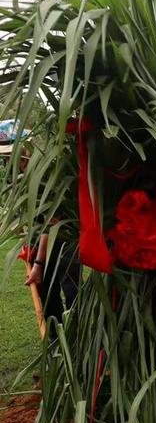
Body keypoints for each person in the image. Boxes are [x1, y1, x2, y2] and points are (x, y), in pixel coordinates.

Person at [1, 120, 81, 333]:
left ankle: (80, 340)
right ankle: (57, 341)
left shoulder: (45, 170)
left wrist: (38, 262)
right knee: (47, 298)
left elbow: (53, 221)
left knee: (72, 292)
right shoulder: (17, 172)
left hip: (63, 242)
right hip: (40, 244)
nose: (6, 157)